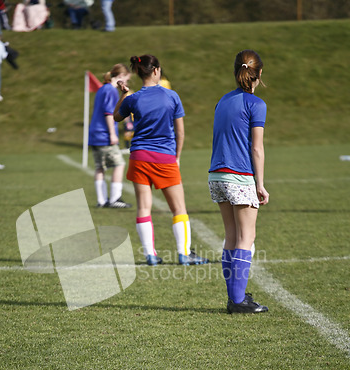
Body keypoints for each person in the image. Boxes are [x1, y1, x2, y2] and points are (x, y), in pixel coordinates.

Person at [114, 54, 209, 266]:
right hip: (164, 157)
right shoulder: (171, 96)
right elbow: (180, 132)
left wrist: (124, 94)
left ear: (138, 72)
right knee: (179, 208)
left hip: (139, 157)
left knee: (143, 207)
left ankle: (150, 254)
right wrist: (177, 157)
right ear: (156, 70)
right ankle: (184, 253)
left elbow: (116, 117)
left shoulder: (133, 98)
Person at [208, 49, 269, 314]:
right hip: (240, 175)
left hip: (216, 175)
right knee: (247, 237)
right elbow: (256, 149)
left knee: (231, 235)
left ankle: (235, 296)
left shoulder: (222, 100)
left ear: (236, 72)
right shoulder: (256, 104)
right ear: (260, 74)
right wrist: (260, 184)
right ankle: (237, 300)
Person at [89, 64, 132, 208]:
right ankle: (114, 198)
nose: (127, 83)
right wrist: (113, 134)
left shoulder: (102, 89)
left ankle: (101, 201)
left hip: (95, 134)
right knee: (119, 164)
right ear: (120, 77)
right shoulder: (110, 90)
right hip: (104, 135)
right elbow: (108, 113)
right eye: (127, 79)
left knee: (100, 167)